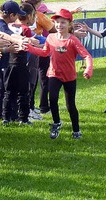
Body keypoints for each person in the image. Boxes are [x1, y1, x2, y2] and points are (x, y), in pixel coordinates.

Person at [25, 9, 93, 139]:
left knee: (70, 105)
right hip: (54, 74)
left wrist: (88, 70)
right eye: (57, 22)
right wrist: (29, 48)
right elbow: (45, 52)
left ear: (69, 25)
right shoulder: (50, 38)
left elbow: (87, 56)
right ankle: (56, 123)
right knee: (53, 99)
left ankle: (76, 130)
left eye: (63, 23)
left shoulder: (72, 40)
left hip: (69, 77)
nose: (59, 25)